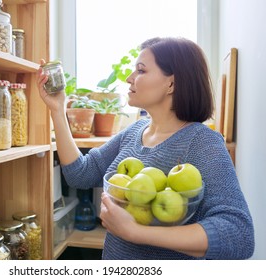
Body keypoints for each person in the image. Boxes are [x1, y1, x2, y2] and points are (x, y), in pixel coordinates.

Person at [37, 37, 254, 260]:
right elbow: (80, 175)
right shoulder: (134, 132)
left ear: (171, 83)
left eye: (141, 71)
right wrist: (57, 109)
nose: (130, 79)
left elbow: (239, 235)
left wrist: (137, 232)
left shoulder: (203, 143)